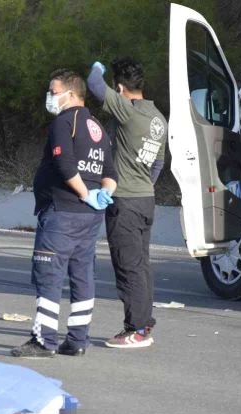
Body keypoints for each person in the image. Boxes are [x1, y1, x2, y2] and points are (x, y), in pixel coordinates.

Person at [11, 69, 118, 358]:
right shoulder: (98, 127)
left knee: (48, 273)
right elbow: (110, 172)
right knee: (82, 275)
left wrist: (83, 193)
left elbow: (65, 165)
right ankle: (77, 339)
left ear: (71, 94)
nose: (50, 97)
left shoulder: (64, 122)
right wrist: (101, 195)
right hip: (89, 217)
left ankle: (44, 340)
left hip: (62, 211)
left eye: (53, 91)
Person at [87, 57, 166, 349]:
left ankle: (136, 330)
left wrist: (97, 68)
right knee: (141, 266)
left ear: (120, 87)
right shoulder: (158, 117)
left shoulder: (127, 111)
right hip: (146, 199)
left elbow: (95, 85)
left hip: (125, 202)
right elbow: (158, 162)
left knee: (128, 267)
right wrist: (143, 184)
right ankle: (144, 323)